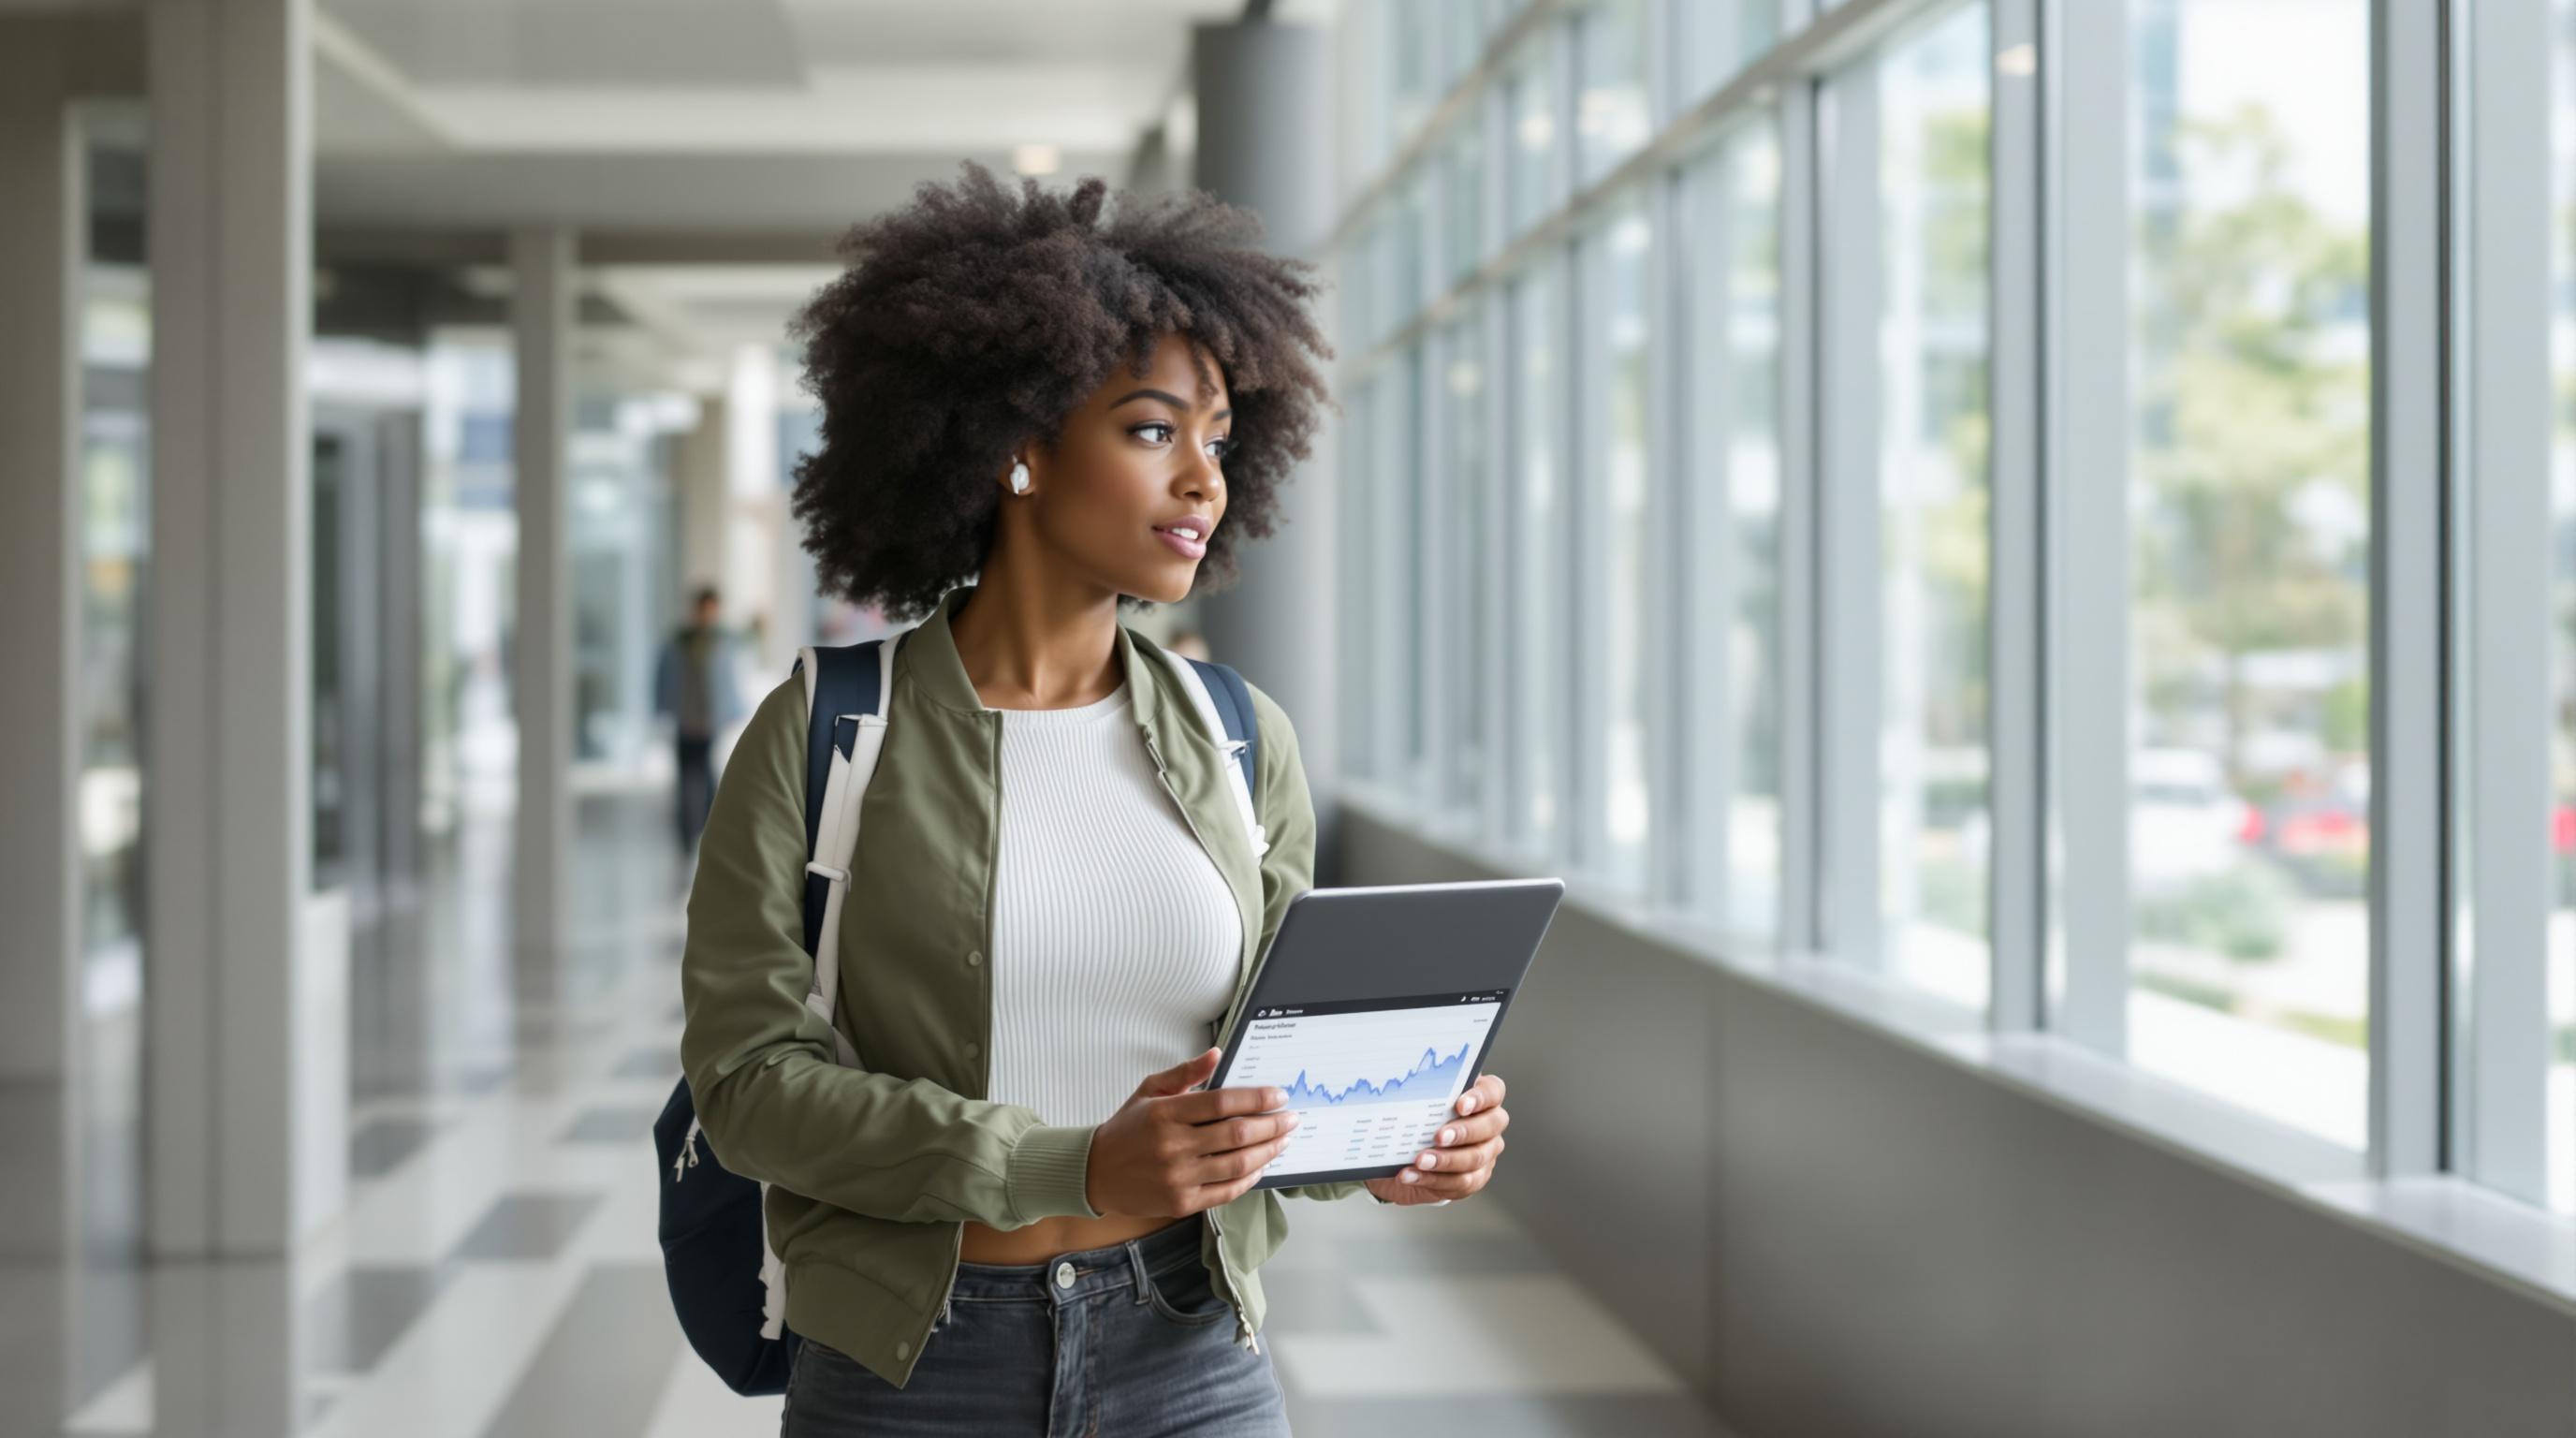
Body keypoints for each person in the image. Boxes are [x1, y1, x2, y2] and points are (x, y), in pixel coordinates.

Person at [678, 162, 1514, 1436]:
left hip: (1189, 1352)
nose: (1203, 479)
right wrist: (1059, 1165)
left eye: (1220, 439)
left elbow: (1267, 1072)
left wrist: (1392, 1135)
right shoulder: (829, 730)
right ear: (1016, 444)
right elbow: (745, 1083)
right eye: (1150, 429)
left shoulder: (1238, 738)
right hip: (913, 1368)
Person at [654, 584, 743, 853]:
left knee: (706, 778)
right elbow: (662, 679)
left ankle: (708, 832)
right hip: (685, 720)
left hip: (709, 722)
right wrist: (662, 710)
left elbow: (729, 683)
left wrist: (732, 714)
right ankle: (686, 837)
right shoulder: (679, 642)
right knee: (686, 780)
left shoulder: (723, 643)